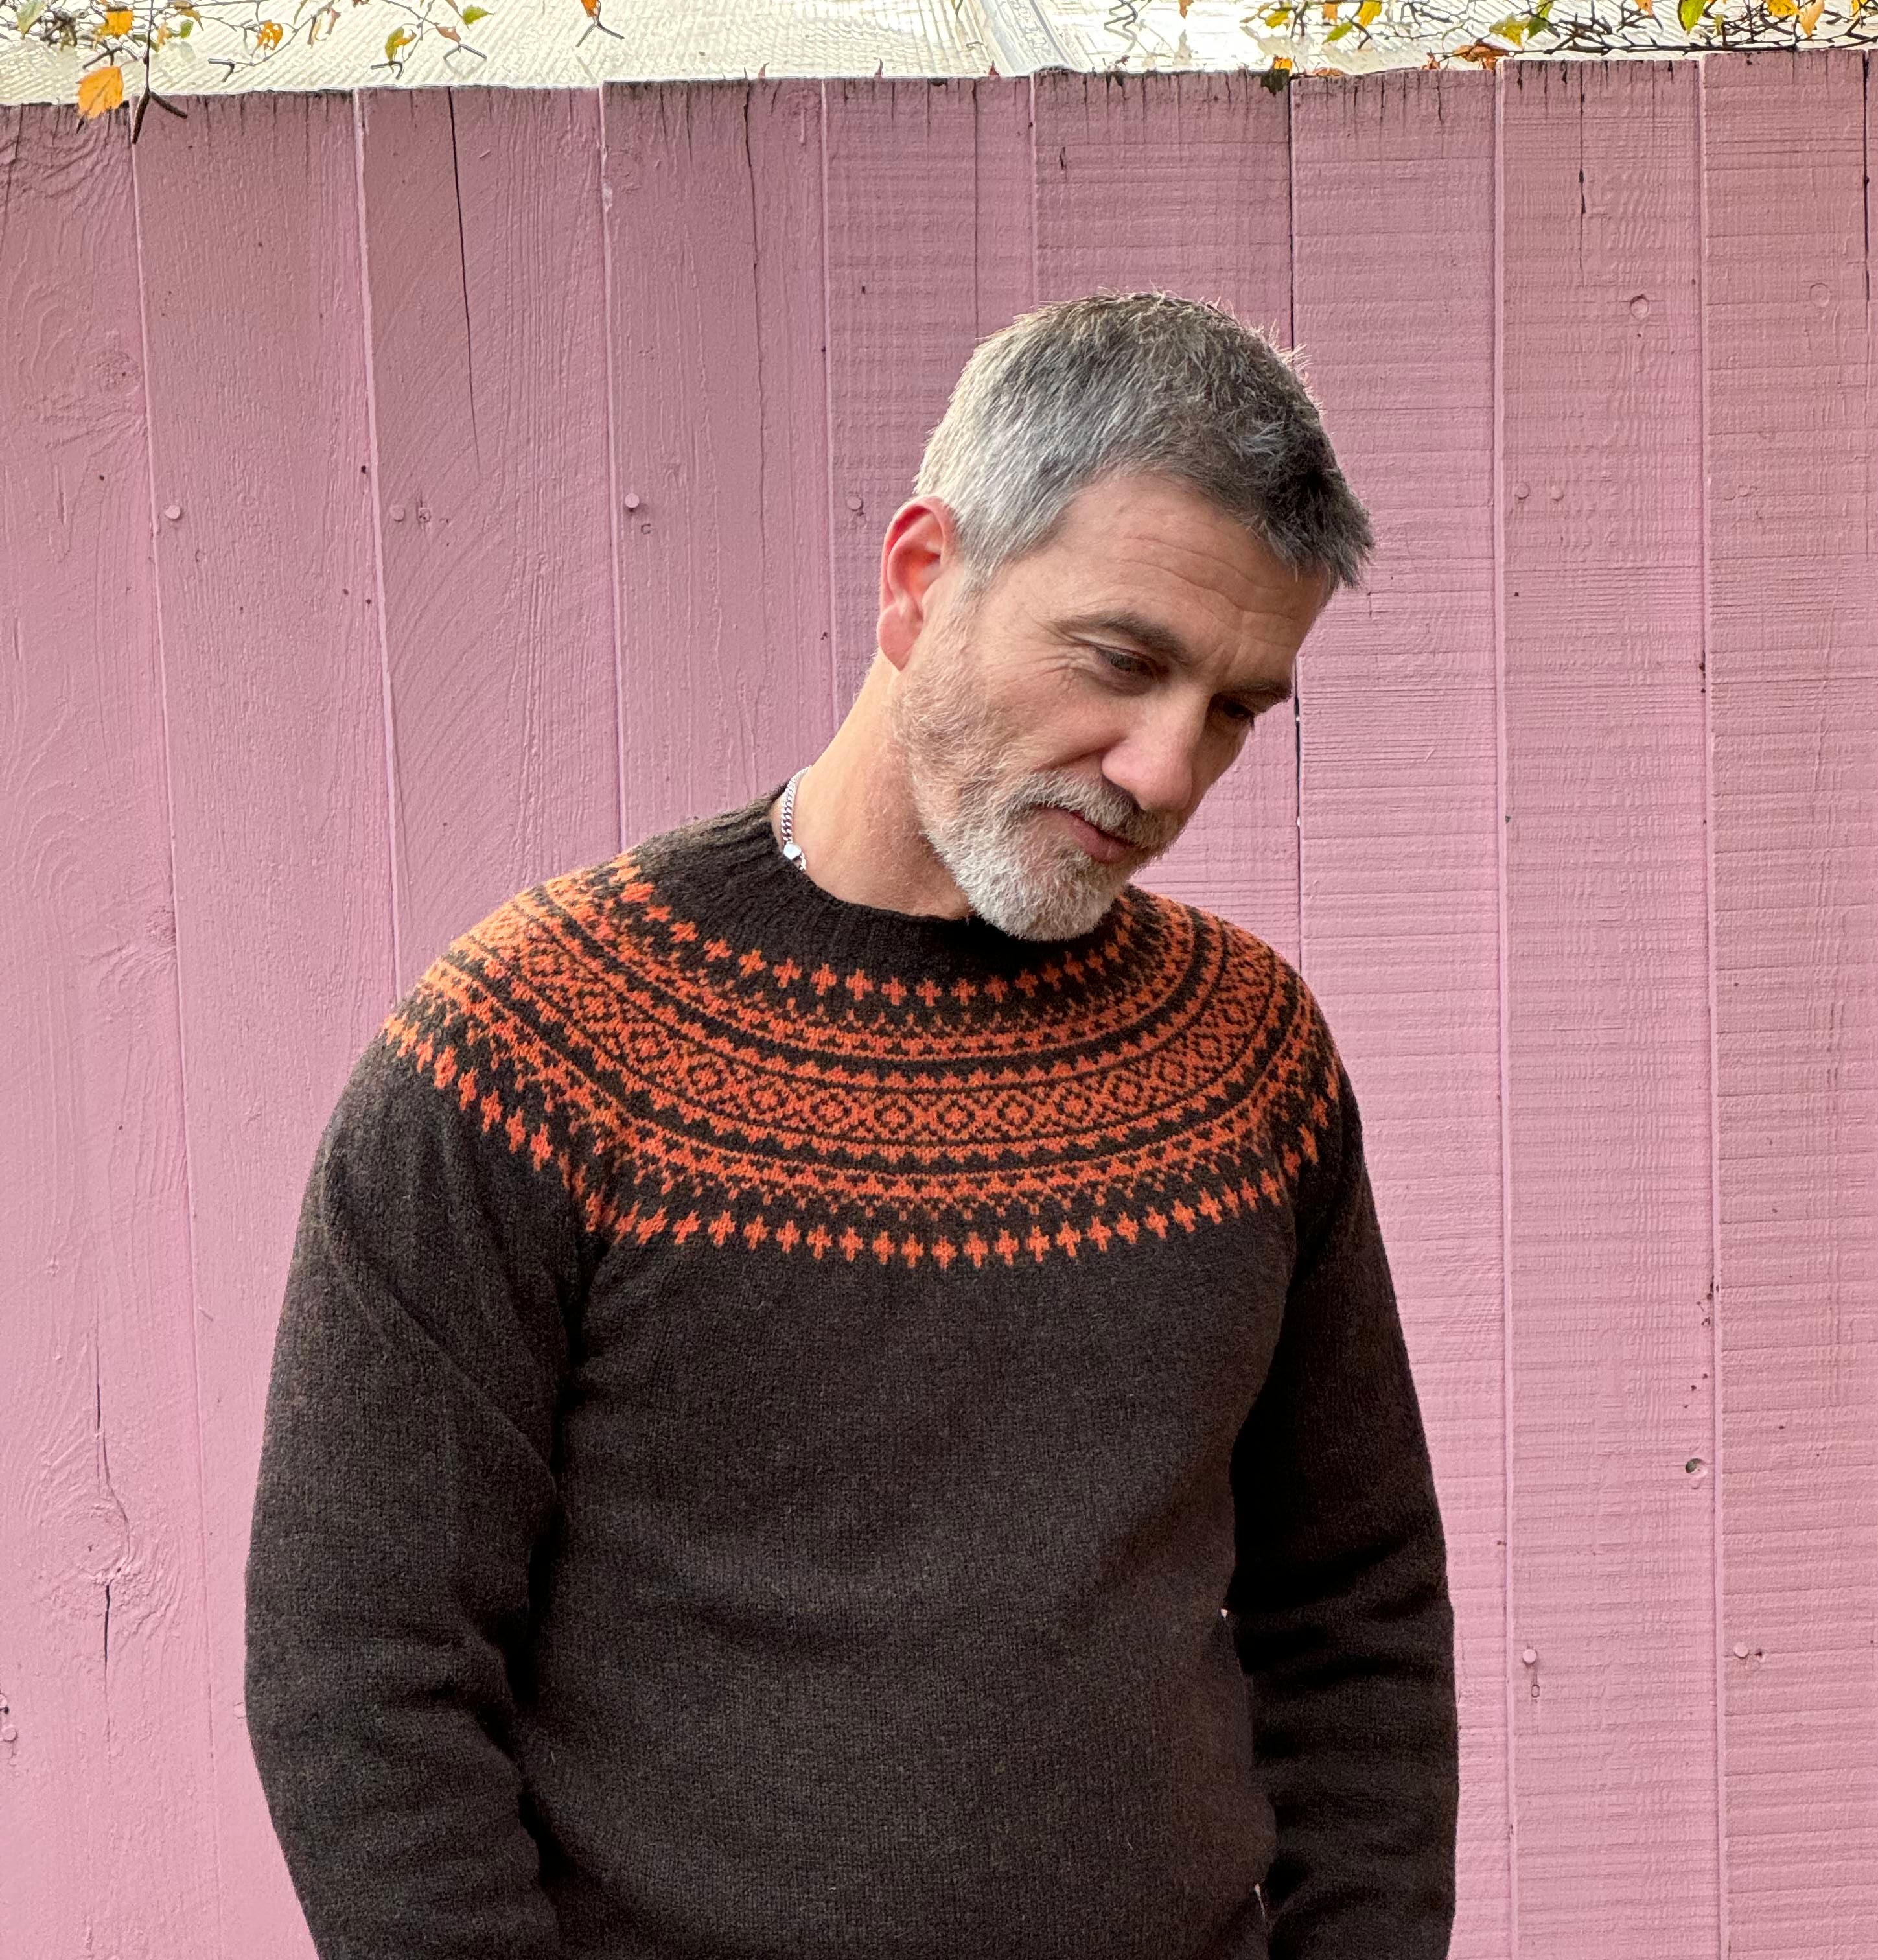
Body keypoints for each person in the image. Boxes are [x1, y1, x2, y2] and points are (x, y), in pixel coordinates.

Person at [244, 289, 1458, 1960]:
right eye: (1125, 662)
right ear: (921, 579)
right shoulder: (531, 1055)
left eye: (1238, 708)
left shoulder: (1246, 1056)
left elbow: (1359, 1611)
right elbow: (363, 1675)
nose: (1168, 768)